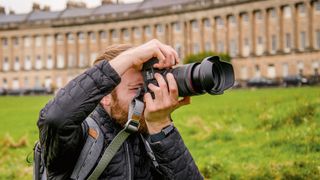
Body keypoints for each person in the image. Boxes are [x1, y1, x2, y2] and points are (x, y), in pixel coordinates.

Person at [37, 39, 203, 179]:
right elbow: (55, 119)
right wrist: (130, 58)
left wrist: (162, 129)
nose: (148, 96)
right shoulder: (82, 135)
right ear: (105, 96)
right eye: (137, 88)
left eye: (149, 85)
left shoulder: (149, 135)